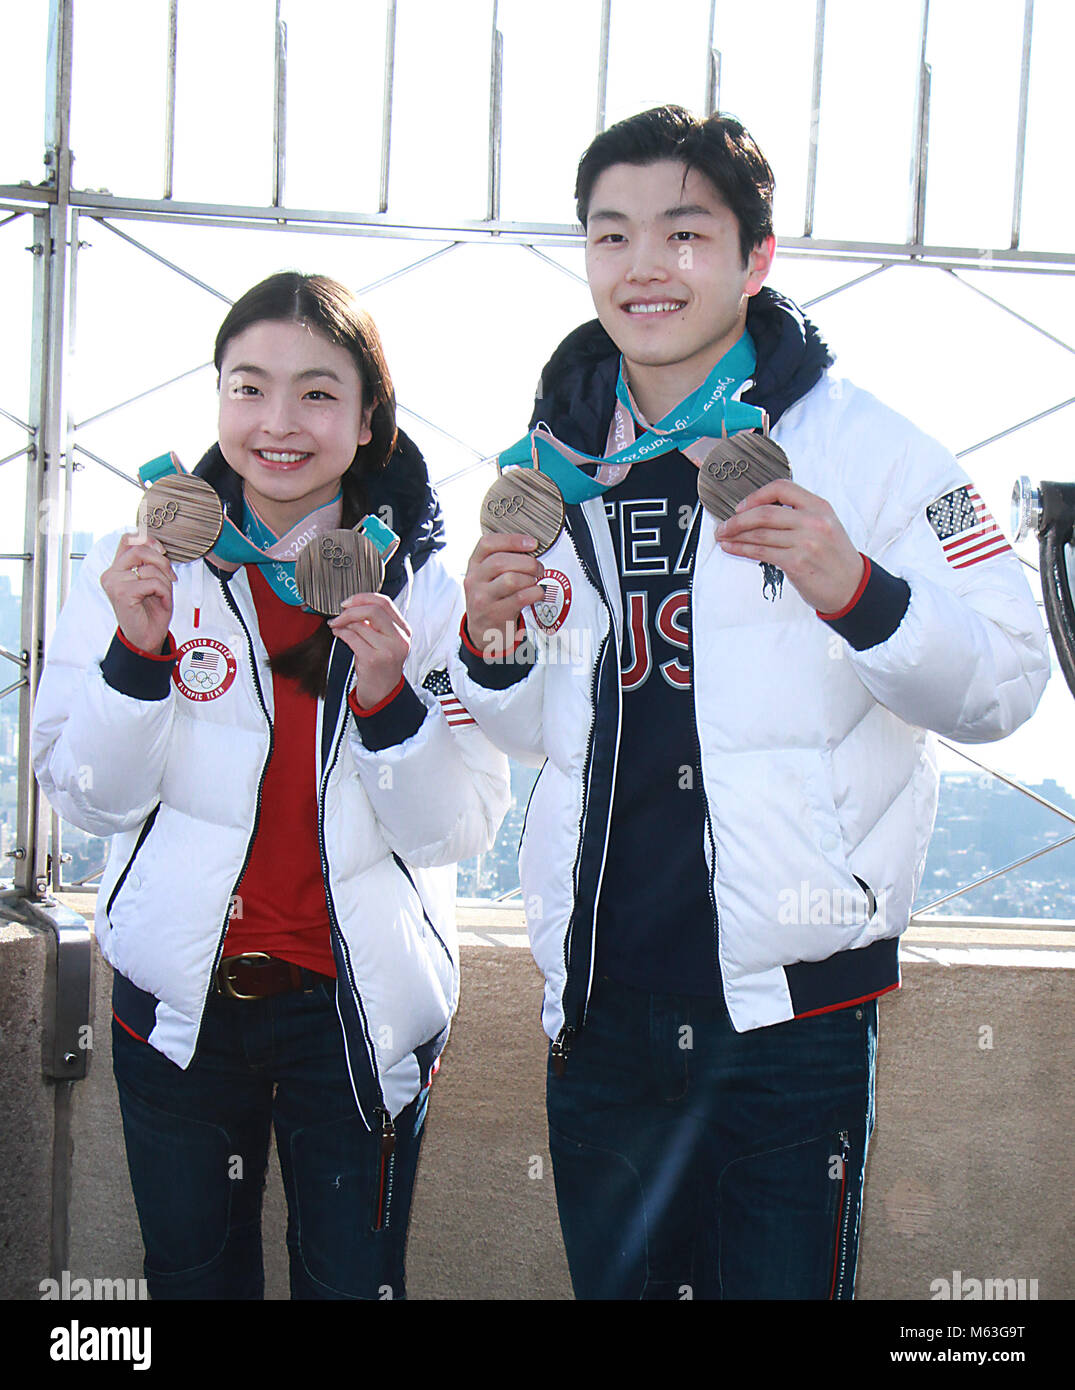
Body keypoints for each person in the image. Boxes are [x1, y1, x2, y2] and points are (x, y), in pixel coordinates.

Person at [450, 106, 1050, 1300]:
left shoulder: (873, 452)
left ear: (754, 257)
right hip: (602, 1009)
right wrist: (489, 640)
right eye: (610, 235)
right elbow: (533, 738)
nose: (644, 267)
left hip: (791, 1013)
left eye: (684, 232)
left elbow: (1008, 681)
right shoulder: (553, 463)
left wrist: (858, 591)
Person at [31, 271, 510, 1300]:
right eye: (248, 388)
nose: (278, 424)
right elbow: (85, 796)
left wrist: (387, 698)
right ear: (216, 400)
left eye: (318, 393)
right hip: (180, 1007)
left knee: (351, 1283)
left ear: (369, 413)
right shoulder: (148, 565)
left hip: (359, 1008)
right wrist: (135, 653)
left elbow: (462, 824)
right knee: (193, 1282)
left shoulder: (423, 584)